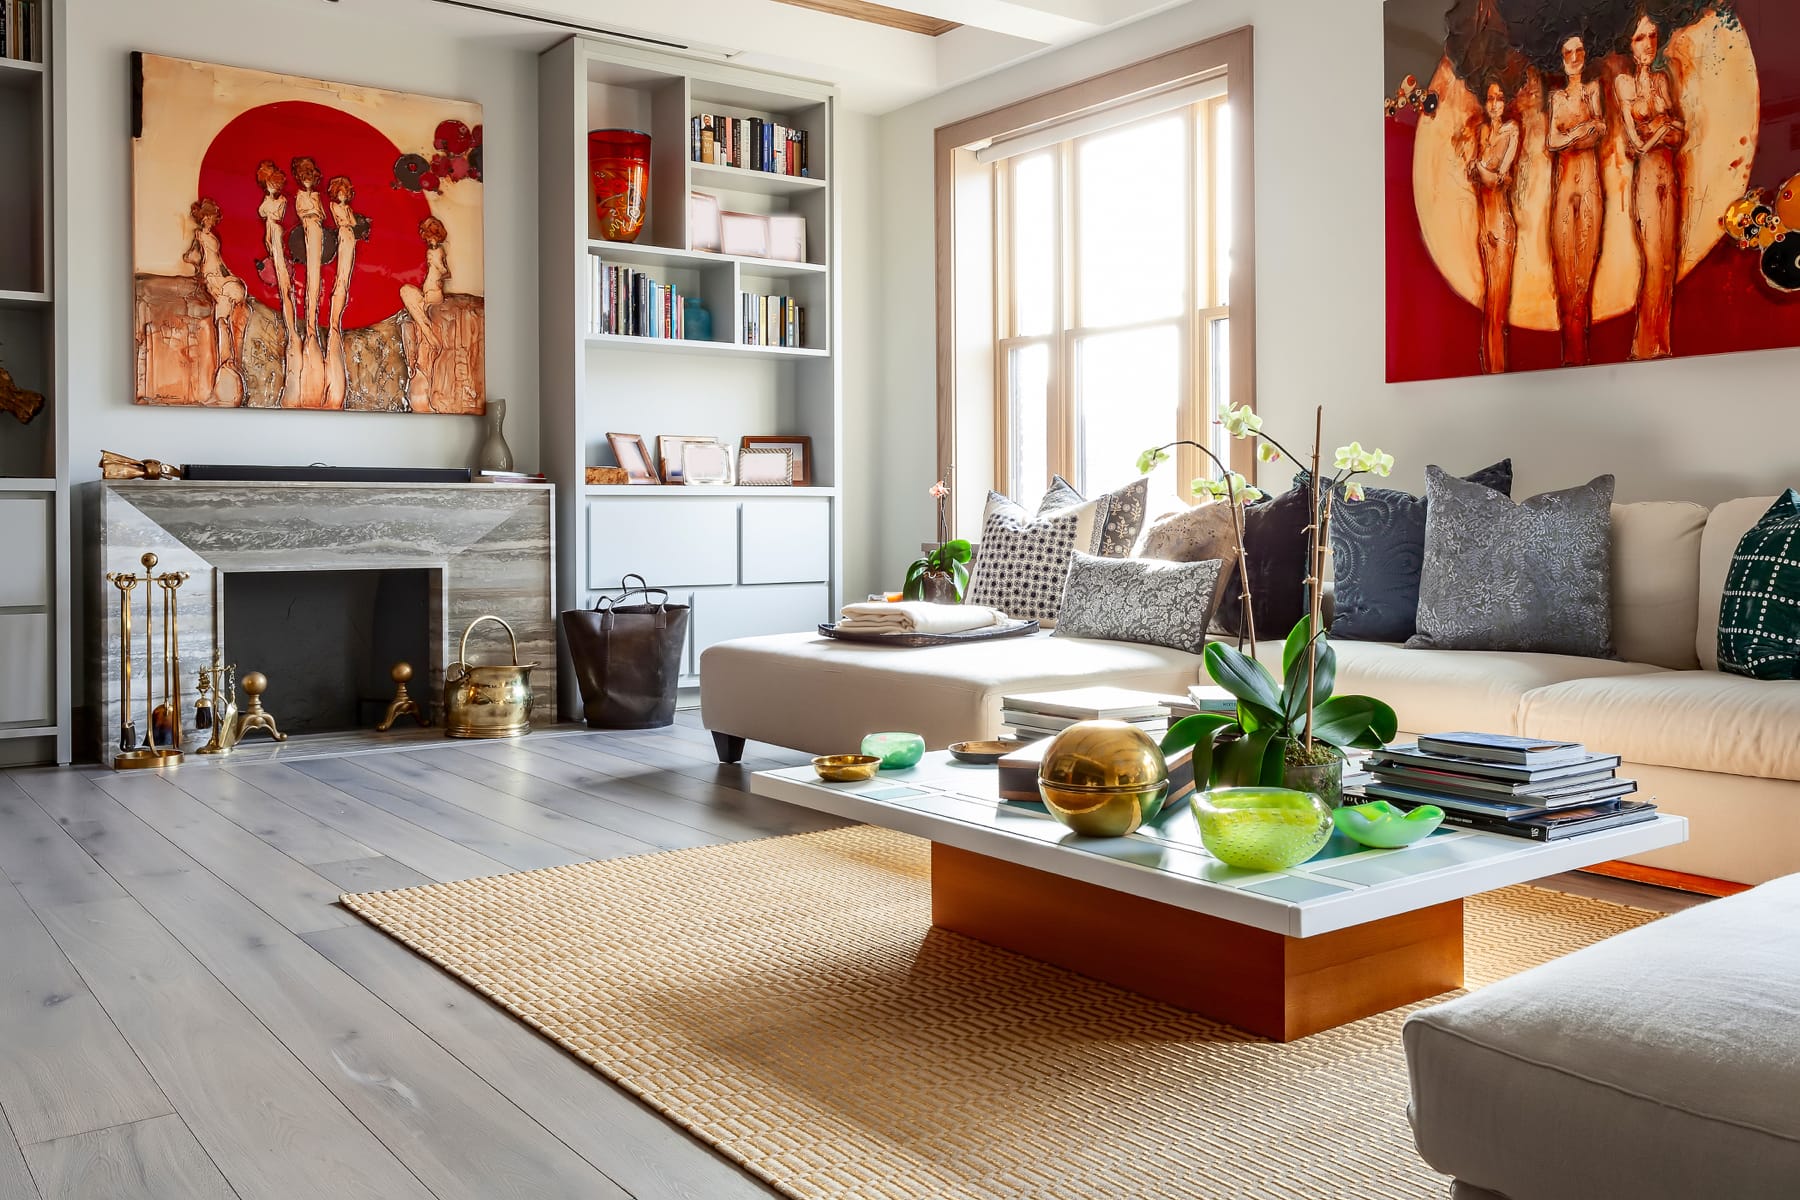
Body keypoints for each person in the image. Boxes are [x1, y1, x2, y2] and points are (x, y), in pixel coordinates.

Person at [1618, 14, 1684, 360]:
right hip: (1646, 176)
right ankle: (1644, 346)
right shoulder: (1624, 84)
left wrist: (1662, 129)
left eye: (1652, 36)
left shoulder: (1661, 81)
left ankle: (1663, 343)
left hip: (1668, 175)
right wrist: (1663, 127)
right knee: (1653, 260)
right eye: (1640, 38)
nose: (1648, 45)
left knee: (1668, 262)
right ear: (1629, 44)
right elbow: (1637, 143)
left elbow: (1681, 133)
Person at [1546, 34, 1604, 366]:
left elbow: (1600, 130)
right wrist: (1580, 132)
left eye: (1579, 51)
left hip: (1590, 184)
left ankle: (1582, 353)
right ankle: (1570, 354)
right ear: (1561, 57)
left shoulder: (1592, 91)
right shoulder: (1557, 98)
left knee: (1585, 271)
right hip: (1565, 186)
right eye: (1568, 52)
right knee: (1565, 273)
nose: (1574, 57)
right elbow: (1552, 141)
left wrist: (1575, 135)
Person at [1467, 81, 1520, 374]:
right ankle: (1489, 370)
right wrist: (1479, 170)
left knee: (1498, 308)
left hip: (1501, 225)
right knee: (1488, 306)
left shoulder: (1511, 131)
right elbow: (1473, 173)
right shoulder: (1482, 132)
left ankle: (1497, 369)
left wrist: (1480, 169)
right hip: (1484, 224)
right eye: (1490, 98)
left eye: (1499, 98)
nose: (1495, 104)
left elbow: (1497, 177)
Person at [183, 197, 248, 404]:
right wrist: (198, 269)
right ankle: (224, 358)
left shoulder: (211, 236)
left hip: (218, 271)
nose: (211, 221)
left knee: (233, 293)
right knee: (223, 304)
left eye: (213, 218)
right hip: (210, 274)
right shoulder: (199, 235)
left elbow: (219, 259)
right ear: (203, 218)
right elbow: (192, 255)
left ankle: (228, 356)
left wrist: (229, 273)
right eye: (209, 217)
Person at [255, 160, 304, 407]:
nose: (271, 187)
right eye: (268, 183)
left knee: (279, 264)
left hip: (275, 231)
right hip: (269, 230)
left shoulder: (281, 201)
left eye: (274, 183)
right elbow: (262, 212)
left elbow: (270, 214)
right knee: (272, 257)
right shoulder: (269, 199)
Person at [398, 216, 449, 412]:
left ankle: (430, 338)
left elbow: (446, 271)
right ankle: (428, 335)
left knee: (414, 305)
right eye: (427, 237)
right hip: (428, 291)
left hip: (434, 292)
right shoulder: (432, 251)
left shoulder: (437, 251)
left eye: (431, 236)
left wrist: (437, 267)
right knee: (406, 292)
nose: (429, 240)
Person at [323, 175, 364, 409]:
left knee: (346, 275)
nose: (342, 195)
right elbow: (347, 222)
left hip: (349, 236)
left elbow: (354, 224)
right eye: (339, 192)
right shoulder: (334, 207)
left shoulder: (346, 208)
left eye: (344, 192)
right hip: (343, 236)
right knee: (341, 275)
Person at [290, 155, 327, 407]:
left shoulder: (315, 195)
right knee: (311, 276)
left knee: (316, 276)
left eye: (310, 175)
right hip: (308, 230)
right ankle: (310, 332)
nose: (307, 179)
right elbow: (308, 213)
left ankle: (313, 333)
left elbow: (320, 214)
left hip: (317, 231)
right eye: (304, 175)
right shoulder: (301, 197)